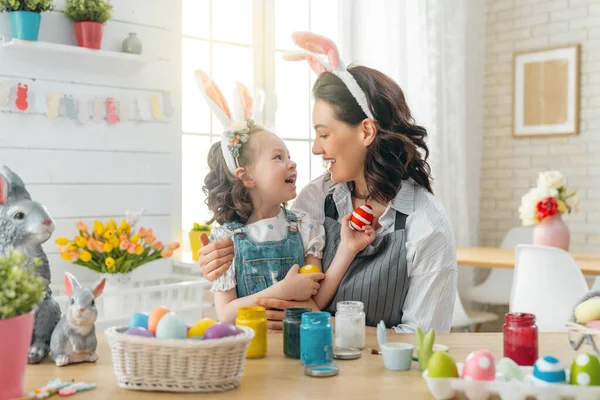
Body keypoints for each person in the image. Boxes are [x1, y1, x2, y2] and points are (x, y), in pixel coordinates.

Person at [197, 32, 458, 333]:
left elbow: (424, 339)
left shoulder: (427, 225)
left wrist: (326, 325)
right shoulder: (315, 197)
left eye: (324, 134)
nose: (315, 149)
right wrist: (217, 261)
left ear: (366, 132)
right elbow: (271, 266)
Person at [196, 69, 376, 323]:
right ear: (247, 177)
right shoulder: (226, 240)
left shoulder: (304, 228)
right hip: (251, 355)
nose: (292, 163)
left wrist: (347, 249)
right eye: (278, 157)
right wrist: (282, 291)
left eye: (289, 156)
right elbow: (225, 315)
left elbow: (317, 301)